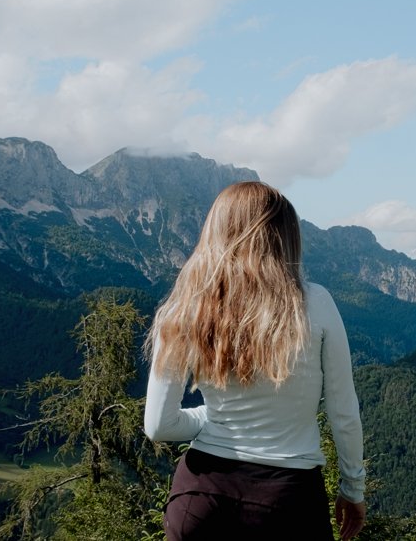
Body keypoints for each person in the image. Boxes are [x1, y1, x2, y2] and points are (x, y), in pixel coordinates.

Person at [144, 181, 366, 541]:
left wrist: (211, 416)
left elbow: (159, 425)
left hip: (198, 499)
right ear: (286, 237)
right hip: (288, 502)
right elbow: (344, 412)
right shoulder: (316, 303)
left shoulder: (186, 306)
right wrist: (353, 489)